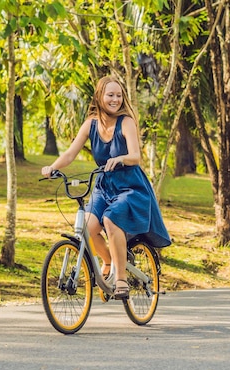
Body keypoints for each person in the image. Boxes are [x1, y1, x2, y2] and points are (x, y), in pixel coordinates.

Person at [41, 75, 171, 299]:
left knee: (111, 219)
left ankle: (121, 280)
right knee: (87, 228)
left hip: (130, 186)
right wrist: (52, 167)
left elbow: (135, 156)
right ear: (99, 97)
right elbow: (71, 153)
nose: (115, 100)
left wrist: (120, 159)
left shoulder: (126, 122)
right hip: (104, 186)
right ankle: (109, 259)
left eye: (119, 95)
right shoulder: (90, 124)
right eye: (110, 95)